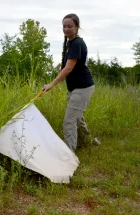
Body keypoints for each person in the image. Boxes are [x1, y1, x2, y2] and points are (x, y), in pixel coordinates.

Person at [41, 13, 100, 152]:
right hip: (75, 88)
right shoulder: (70, 42)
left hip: (82, 88)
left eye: (70, 26)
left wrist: (51, 85)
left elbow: (68, 69)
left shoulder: (77, 43)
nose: (66, 29)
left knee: (69, 121)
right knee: (77, 117)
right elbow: (65, 67)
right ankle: (87, 141)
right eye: (64, 26)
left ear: (77, 27)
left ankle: (68, 154)